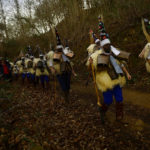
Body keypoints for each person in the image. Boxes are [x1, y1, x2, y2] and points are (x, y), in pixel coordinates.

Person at [86, 19, 131, 123]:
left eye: (109, 45)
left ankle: (119, 116)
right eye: (106, 45)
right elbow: (90, 67)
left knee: (119, 99)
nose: (108, 46)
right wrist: (91, 63)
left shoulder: (114, 53)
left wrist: (127, 73)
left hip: (117, 79)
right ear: (102, 45)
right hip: (105, 82)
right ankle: (102, 110)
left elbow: (121, 64)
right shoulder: (96, 55)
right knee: (108, 101)